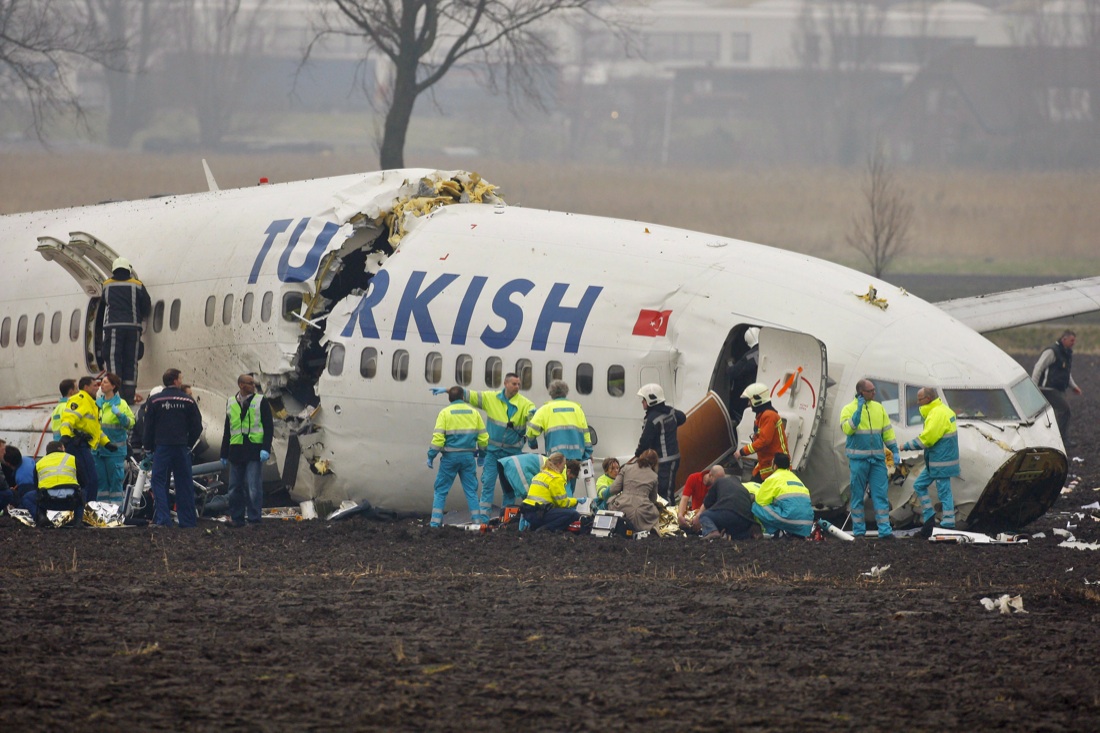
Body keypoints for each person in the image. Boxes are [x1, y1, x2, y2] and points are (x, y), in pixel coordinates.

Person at [445, 372, 535, 517]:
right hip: (493, 452)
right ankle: (483, 519)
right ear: (505, 384)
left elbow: (532, 416)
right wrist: (449, 390)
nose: (517, 387)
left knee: (509, 488)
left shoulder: (525, 404)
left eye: (519, 384)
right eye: (514, 384)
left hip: (512, 454)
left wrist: (533, 416)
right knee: (488, 484)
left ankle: (505, 519)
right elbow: (471, 395)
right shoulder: (491, 398)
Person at [143, 368, 204, 528]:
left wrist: (148, 448)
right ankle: (188, 521)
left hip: (161, 447)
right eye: (181, 378)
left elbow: (148, 426)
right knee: (184, 483)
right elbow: (197, 426)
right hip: (181, 447)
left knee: (158, 481)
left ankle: (163, 519)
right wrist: (188, 444)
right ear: (176, 381)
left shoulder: (155, 400)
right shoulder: (188, 400)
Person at [840, 378, 900, 539]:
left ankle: (885, 531)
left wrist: (894, 450)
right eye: (871, 390)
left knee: (880, 496)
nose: (875, 393)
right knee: (857, 496)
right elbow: (848, 429)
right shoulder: (848, 409)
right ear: (861, 392)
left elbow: (887, 431)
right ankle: (859, 532)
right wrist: (858, 412)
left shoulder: (879, 408)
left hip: (877, 461)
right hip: (858, 461)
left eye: (874, 389)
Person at [426, 386, 489, 526]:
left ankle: (435, 524)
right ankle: (477, 522)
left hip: (450, 458)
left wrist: (431, 455)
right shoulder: (474, 413)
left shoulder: (445, 413)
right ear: (463, 397)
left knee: (441, 491)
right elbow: (484, 438)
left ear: (450, 398)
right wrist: (482, 455)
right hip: (468, 457)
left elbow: (438, 439)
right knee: (471, 491)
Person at [901, 387, 960, 530]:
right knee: (919, 485)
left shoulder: (937, 414)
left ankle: (948, 522)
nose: (917, 402)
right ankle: (929, 515)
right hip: (935, 461)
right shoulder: (943, 410)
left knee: (944, 490)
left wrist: (906, 446)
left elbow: (927, 439)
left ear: (928, 399)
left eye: (919, 399)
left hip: (941, 461)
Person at [221, 373, 274, 528]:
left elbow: (268, 427)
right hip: (236, 450)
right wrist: (224, 453)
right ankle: (237, 518)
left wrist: (265, 448)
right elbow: (227, 429)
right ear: (241, 385)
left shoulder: (260, 401)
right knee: (234, 488)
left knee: (253, 487)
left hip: (253, 450)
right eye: (251, 383)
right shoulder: (231, 402)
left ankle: (254, 519)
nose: (254, 385)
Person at [100, 257, 151, 403]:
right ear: (128, 270)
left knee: (114, 359)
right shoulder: (138, 285)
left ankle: (115, 394)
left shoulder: (106, 285)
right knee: (131, 361)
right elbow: (146, 306)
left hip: (114, 327)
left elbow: (104, 301)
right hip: (133, 328)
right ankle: (129, 395)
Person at [59, 375, 114, 503]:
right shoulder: (80, 399)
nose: (98, 387)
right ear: (85, 387)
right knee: (90, 479)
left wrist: (106, 443)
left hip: (82, 445)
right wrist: (65, 435)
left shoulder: (90, 402)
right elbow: (68, 418)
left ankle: (85, 509)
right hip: (76, 445)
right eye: (94, 385)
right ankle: (87, 509)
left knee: (87, 479)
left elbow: (94, 429)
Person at [634, 383, 687, 505]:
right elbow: (683, 417)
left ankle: (669, 519)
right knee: (664, 491)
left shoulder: (652, 419)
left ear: (651, 400)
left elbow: (645, 441)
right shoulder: (671, 412)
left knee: (664, 493)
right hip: (670, 459)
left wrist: (637, 455)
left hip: (664, 461)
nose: (642, 402)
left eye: (644, 399)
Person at [1032, 330, 1083, 447]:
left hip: (1059, 389)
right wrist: (1033, 388)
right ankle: (1061, 441)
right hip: (1047, 389)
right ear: (1064, 339)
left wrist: (1073, 386)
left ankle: (1052, 440)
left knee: (1053, 414)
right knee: (1065, 410)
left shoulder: (1066, 353)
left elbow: (1066, 373)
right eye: (1072, 340)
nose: (1074, 343)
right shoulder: (1052, 351)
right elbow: (1038, 367)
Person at [94, 372, 135, 505]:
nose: (102, 384)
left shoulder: (121, 404)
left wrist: (120, 415)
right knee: (101, 486)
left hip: (114, 452)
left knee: (115, 484)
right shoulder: (98, 404)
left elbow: (130, 423)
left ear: (113, 386)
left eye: (105, 382)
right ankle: (102, 513)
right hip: (98, 452)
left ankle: (116, 513)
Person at [527, 380, 592, 462]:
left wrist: (532, 443)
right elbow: (586, 433)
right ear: (566, 392)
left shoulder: (545, 409)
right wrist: (588, 453)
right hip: (576, 457)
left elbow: (531, 431)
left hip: (555, 458)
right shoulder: (577, 409)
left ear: (551, 393)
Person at [751, 453, 814, 538]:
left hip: (791, 520)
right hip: (807, 523)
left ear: (775, 466)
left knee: (756, 506)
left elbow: (760, 501)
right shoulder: (796, 478)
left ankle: (777, 532)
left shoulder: (773, 478)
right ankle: (793, 534)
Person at [520, 452, 586, 531]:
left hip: (528, 512)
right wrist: (576, 501)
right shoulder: (556, 478)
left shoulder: (540, 474)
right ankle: (545, 529)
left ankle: (534, 527)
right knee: (573, 515)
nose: (564, 467)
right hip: (539, 513)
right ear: (558, 464)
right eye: (564, 464)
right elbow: (563, 503)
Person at [737, 382, 788, 481]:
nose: (748, 404)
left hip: (774, 465)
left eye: (750, 400)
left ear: (757, 399)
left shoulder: (768, 416)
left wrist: (742, 451)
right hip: (767, 464)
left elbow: (764, 441)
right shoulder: (763, 416)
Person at [605, 449, 661, 533]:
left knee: (610, 502)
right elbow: (653, 499)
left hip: (622, 507)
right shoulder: (654, 476)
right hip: (642, 513)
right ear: (654, 463)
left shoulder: (626, 467)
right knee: (655, 513)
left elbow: (614, 489)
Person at [33, 440, 85, 527]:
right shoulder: (72, 459)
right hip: (71, 501)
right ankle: (78, 521)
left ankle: (42, 517)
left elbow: (36, 485)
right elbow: (83, 481)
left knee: (30, 495)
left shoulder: (39, 463)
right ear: (61, 448)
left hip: (48, 501)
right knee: (82, 492)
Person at [697, 465, 756, 540]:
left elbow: (707, 503)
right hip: (746, 520)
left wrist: (698, 515)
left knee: (705, 516)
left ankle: (711, 532)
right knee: (736, 536)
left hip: (730, 513)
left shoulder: (718, 482)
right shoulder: (738, 484)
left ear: (711, 475)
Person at [727, 327, 760, 416]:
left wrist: (730, 363)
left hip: (752, 394)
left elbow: (733, 372)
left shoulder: (749, 357)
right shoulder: (770, 351)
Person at [676, 467, 713, 532]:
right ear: (710, 475)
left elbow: (708, 503)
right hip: (694, 515)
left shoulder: (718, 485)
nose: (718, 483)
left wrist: (699, 516)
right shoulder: (694, 477)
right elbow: (684, 498)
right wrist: (680, 515)